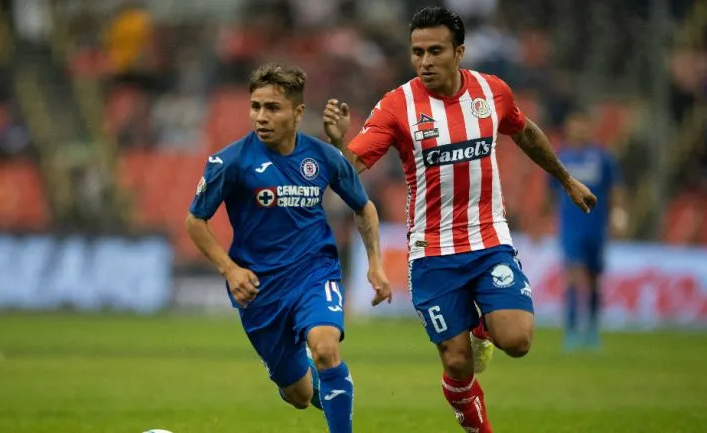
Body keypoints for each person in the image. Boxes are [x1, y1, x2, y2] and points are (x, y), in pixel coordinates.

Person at [322, 7, 597, 432]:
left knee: (518, 340)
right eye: (417, 52)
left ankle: (483, 330)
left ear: (459, 51)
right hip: (431, 252)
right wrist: (339, 145)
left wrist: (566, 180)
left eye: (435, 51)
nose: (425, 61)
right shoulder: (399, 106)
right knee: (455, 360)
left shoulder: (492, 92)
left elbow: (524, 132)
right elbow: (350, 167)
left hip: (488, 241)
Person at [185, 63, 392, 433]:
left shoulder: (323, 157)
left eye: (272, 108)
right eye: (256, 107)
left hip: (315, 271)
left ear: (297, 113)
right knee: (298, 394)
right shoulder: (229, 162)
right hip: (260, 290)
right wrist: (230, 270)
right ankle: (309, 379)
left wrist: (375, 264)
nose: (261, 117)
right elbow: (194, 220)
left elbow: (364, 206)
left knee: (327, 347)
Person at [550, 110, 626, 352]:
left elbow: (614, 189)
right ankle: (571, 331)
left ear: (589, 127)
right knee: (572, 275)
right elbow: (550, 191)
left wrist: (617, 216)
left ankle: (592, 330)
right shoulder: (560, 157)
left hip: (596, 226)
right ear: (569, 128)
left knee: (593, 279)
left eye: (583, 125)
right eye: (575, 125)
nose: (579, 130)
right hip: (570, 227)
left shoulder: (602, 157)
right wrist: (541, 221)